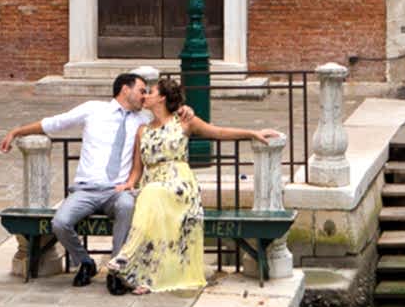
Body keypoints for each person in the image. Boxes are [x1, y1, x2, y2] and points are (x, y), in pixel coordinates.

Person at [106, 76, 282, 295]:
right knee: (149, 197)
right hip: (153, 186)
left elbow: (217, 131)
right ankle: (149, 277)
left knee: (152, 194)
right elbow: (137, 168)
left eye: (150, 92)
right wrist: (129, 184)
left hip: (179, 185)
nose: (145, 96)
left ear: (161, 98)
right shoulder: (142, 130)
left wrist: (252, 133)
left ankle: (124, 258)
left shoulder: (184, 122)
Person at [0, 66, 163, 287]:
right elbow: (54, 123)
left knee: (127, 207)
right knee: (60, 222)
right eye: (141, 90)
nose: (144, 96)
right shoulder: (93, 109)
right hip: (86, 189)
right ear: (125, 89)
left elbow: (169, 117)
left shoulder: (143, 119)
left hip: (118, 190)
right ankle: (85, 262)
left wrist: (185, 112)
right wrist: (17, 132)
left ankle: (117, 269)